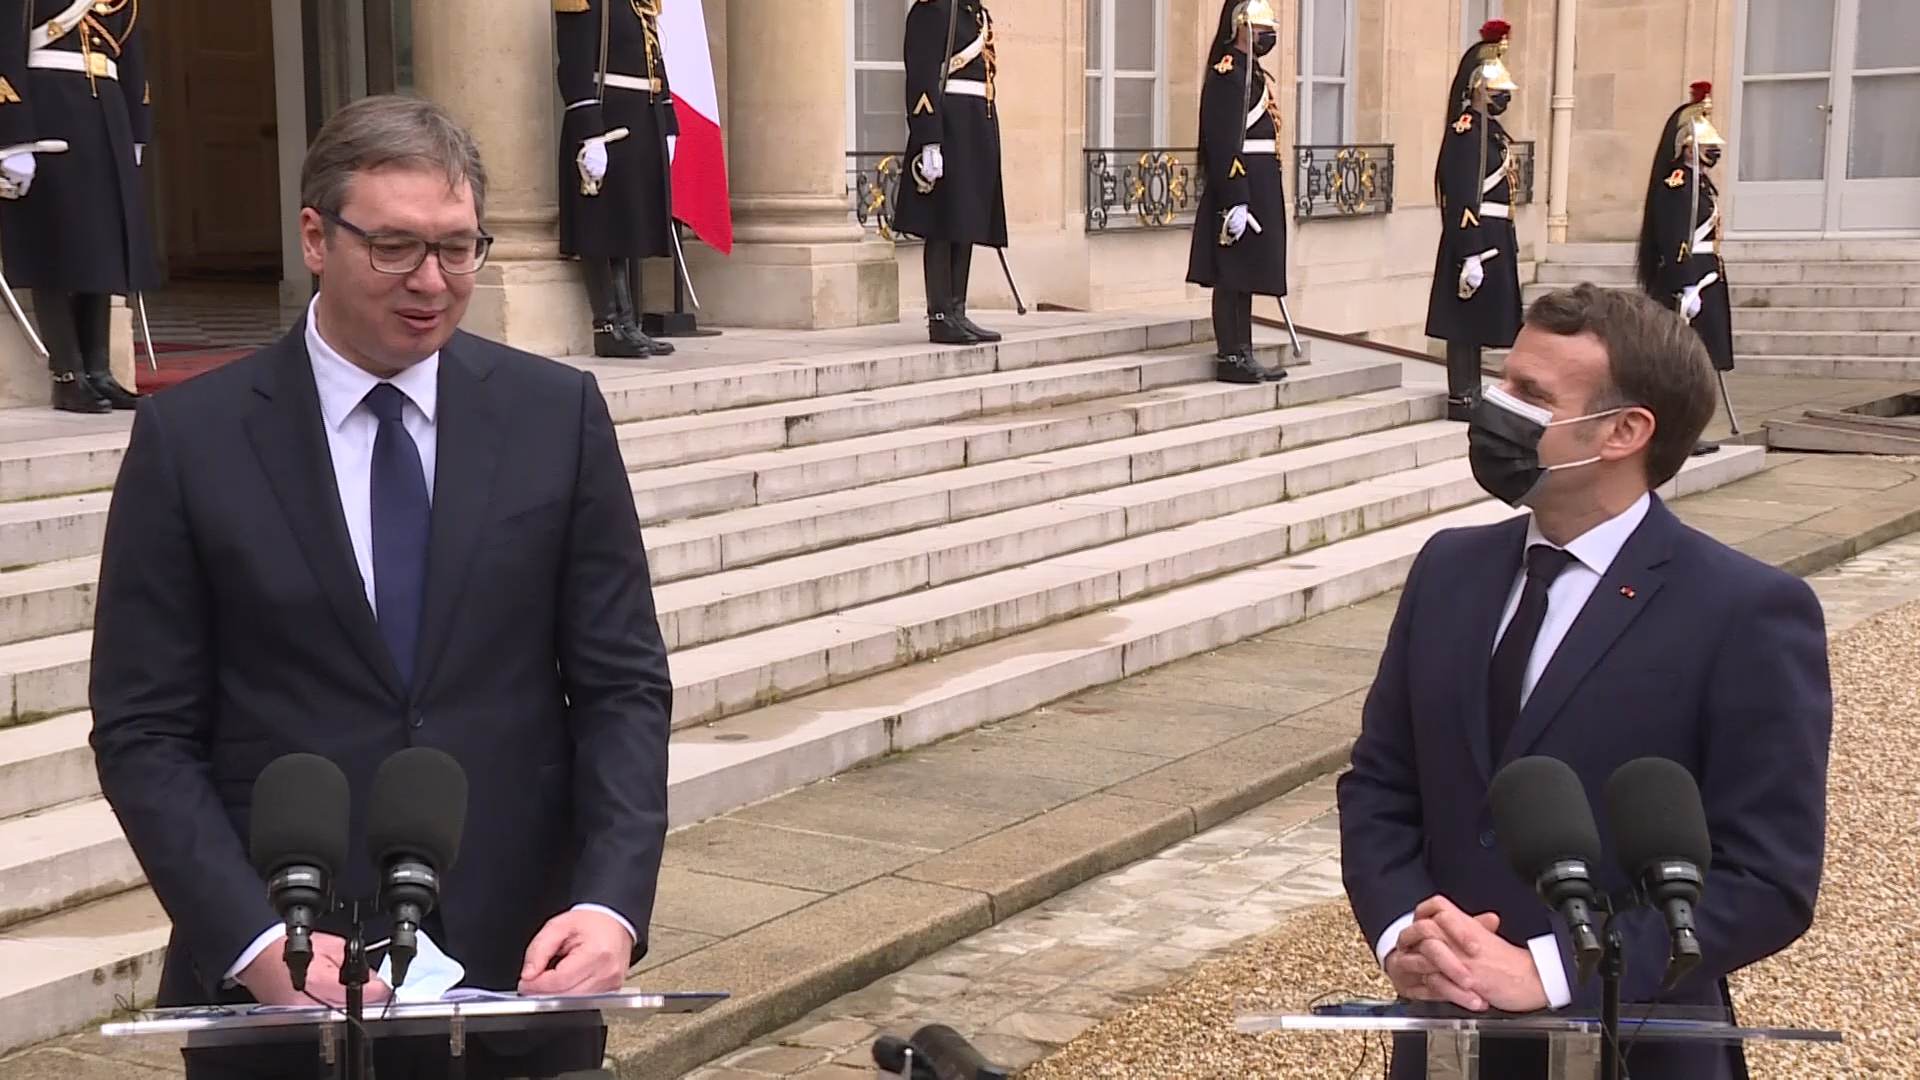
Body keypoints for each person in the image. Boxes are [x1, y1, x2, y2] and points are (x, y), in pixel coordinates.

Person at [87, 95, 674, 1080]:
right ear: (316, 237)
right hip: (282, 975)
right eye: (395, 247)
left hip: (520, 972)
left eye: (458, 248)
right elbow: (143, 729)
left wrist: (611, 902)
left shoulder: (556, 415)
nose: (432, 281)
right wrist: (250, 941)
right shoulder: (191, 440)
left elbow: (623, 688)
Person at [1338, 284, 1831, 1080]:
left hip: (1635, 1051)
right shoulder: (1448, 570)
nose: (1494, 405)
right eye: (1503, 379)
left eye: (1531, 394)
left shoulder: (1746, 612)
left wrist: (1555, 967)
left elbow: (1768, 877)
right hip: (1444, 1043)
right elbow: (1379, 786)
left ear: (1624, 431)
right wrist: (1406, 937)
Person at [0, 0, 154, 413]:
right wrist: (13, 136)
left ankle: (99, 372)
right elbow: (5, 46)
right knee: (55, 244)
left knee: (102, 244)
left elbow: (130, 51)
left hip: (107, 111)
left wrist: (137, 127)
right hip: (47, 106)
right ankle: (67, 376)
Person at [555, 0, 677, 358]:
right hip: (607, 120)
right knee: (601, 225)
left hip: (639, 118)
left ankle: (628, 322)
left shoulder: (638, 3)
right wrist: (590, 132)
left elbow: (655, 62)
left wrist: (667, 121)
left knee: (625, 226)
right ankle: (607, 325)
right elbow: (574, 67)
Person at [893, 0, 1008, 345]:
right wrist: (929, 138)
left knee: (966, 220)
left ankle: (958, 310)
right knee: (943, 223)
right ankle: (940, 316)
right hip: (949, 124)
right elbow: (922, 78)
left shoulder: (976, 14)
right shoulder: (933, 10)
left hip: (976, 123)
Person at [1185, 0, 1288, 386]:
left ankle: (1244, 351)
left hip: (1259, 183)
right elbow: (1224, 141)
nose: (1266, 36)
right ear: (1241, 28)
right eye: (1260, 29)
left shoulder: (1251, 72)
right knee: (1231, 277)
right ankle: (1230, 355)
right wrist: (1236, 197)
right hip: (1239, 184)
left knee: (1246, 275)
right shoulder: (1228, 73)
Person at [1426, 20, 1523, 422]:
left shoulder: (1490, 131)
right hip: (1475, 233)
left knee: (1481, 318)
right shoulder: (1467, 131)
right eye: (1498, 92)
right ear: (1479, 89)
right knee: (1464, 320)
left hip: (1495, 233)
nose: (1504, 98)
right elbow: (1464, 194)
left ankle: (1474, 389)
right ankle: (1462, 394)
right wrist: (1470, 252)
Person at [1638, 81, 1732, 458]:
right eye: (1707, 146)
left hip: (1707, 275)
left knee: (1704, 359)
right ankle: (1678, 434)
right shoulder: (1677, 184)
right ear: (1688, 146)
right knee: (1682, 364)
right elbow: (1674, 239)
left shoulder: (1701, 184)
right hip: (1689, 279)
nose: (1713, 151)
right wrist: (1686, 284)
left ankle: (1692, 430)